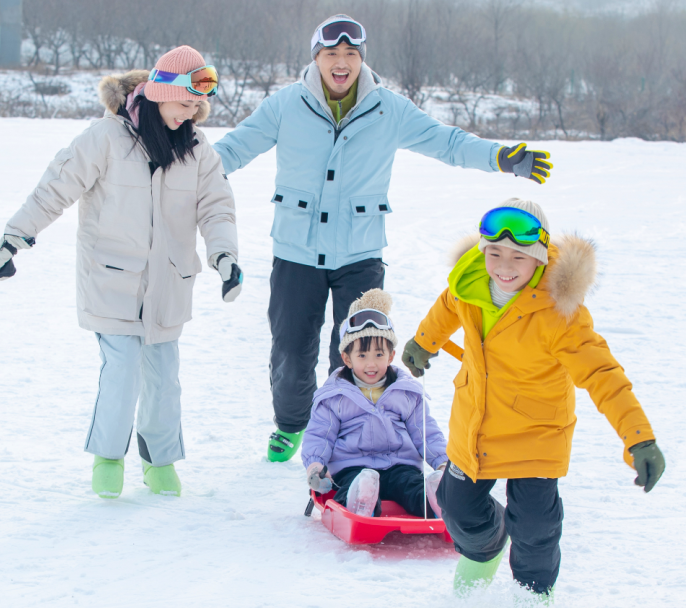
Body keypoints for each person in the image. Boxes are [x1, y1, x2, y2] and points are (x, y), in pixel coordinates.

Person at [212, 14, 554, 462]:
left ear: (361, 59)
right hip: (296, 253)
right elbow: (235, 148)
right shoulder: (286, 105)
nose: (341, 63)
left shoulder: (387, 109)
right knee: (291, 351)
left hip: (360, 253)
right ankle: (293, 425)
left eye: (350, 55)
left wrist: (499, 157)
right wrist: (186, 174)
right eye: (332, 54)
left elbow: (445, 141)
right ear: (316, 58)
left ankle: (348, 431)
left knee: (359, 349)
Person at [0, 46, 243, 499]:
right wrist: (14, 238)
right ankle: (108, 456)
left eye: (198, 108)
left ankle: (159, 461)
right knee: (122, 370)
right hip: (112, 279)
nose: (191, 115)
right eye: (185, 104)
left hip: (168, 284)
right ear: (162, 93)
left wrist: (225, 257)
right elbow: (54, 188)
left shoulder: (198, 150)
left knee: (164, 379)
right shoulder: (106, 137)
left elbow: (216, 209)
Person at [401, 199, 665, 600]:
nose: (504, 266)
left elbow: (602, 375)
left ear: (540, 258)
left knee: (536, 527)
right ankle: (486, 549)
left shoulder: (561, 313)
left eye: (518, 256)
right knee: (457, 510)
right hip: (475, 424)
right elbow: (447, 307)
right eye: (495, 253)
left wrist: (639, 437)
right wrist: (424, 342)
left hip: (537, 431)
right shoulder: (469, 283)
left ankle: (534, 594)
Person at [301, 289, 448, 518]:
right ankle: (360, 501)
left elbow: (426, 432)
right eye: (362, 356)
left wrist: (442, 462)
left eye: (379, 355)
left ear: (391, 356)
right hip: (353, 467)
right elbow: (320, 434)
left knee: (412, 486)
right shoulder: (334, 396)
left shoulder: (406, 393)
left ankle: (438, 500)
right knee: (355, 484)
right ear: (347, 358)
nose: (371, 364)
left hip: (399, 465)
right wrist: (316, 467)